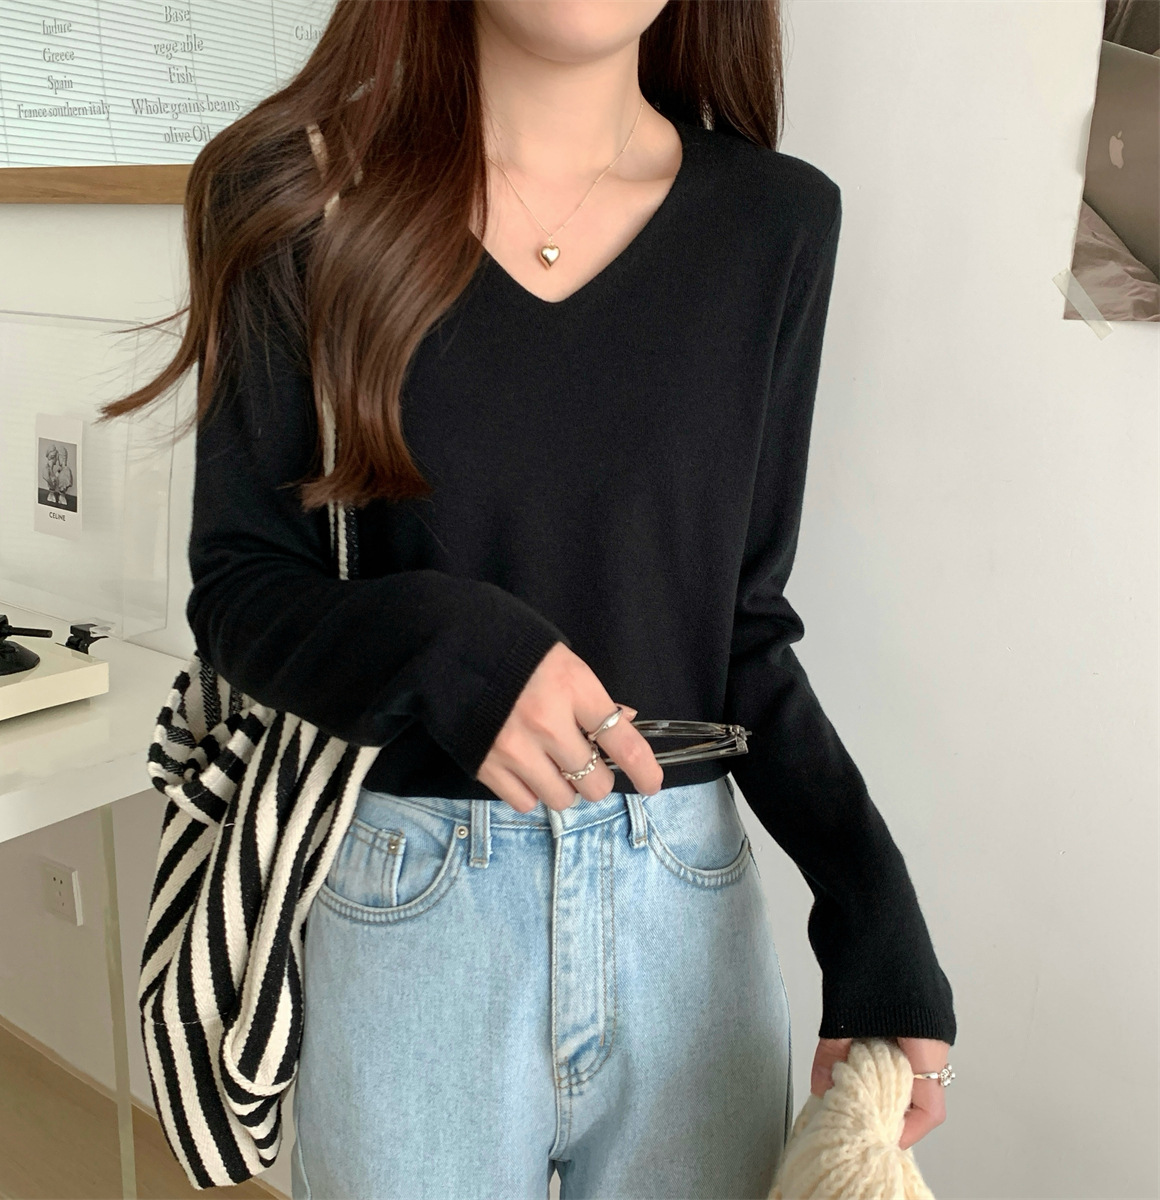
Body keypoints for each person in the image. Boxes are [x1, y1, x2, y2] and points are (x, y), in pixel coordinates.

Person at [106, 2, 956, 1196]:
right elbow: (242, 589)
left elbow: (744, 627)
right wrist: (451, 647)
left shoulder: (776, 222)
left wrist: (872, 909)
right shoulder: (293, 195)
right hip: (408, 904)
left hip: (686, 915)